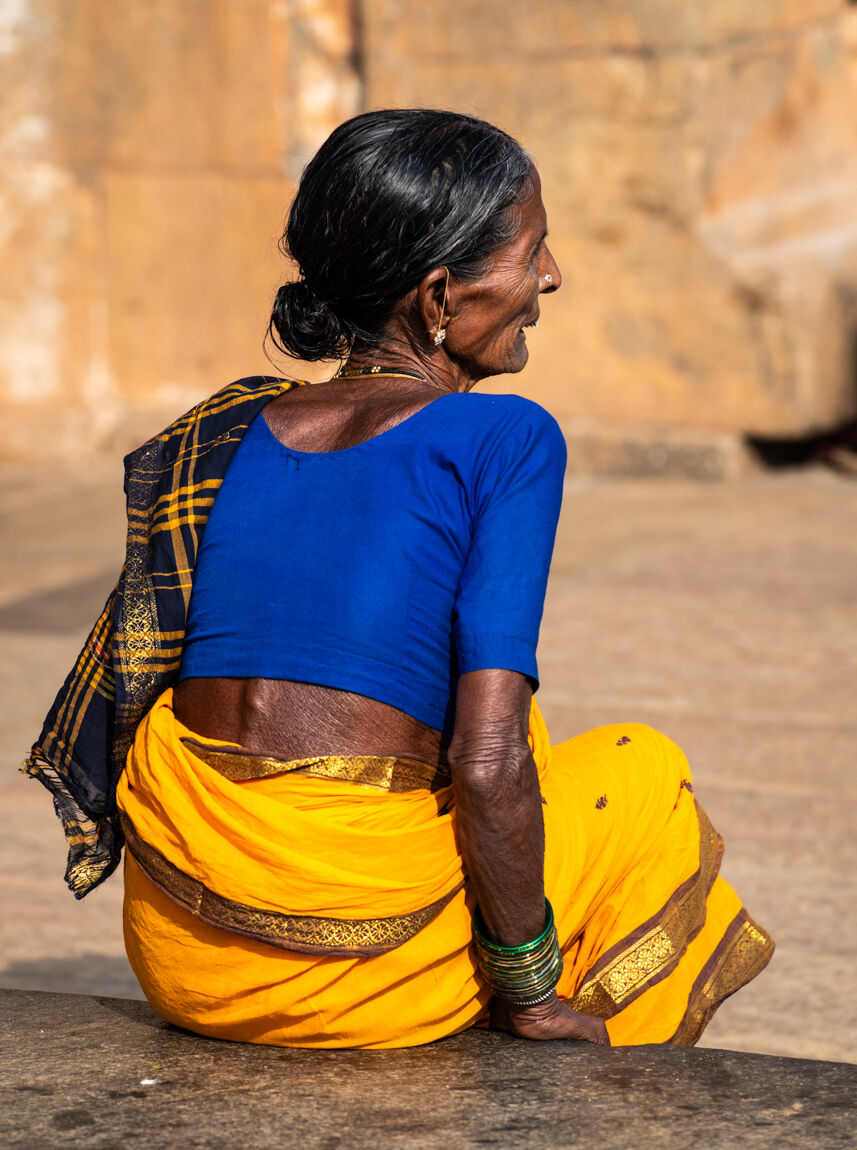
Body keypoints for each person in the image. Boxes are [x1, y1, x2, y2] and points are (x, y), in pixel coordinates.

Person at [25, 109, 773, 1050]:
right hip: (348, 978)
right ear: (437, 297)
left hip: (183, 957)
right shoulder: (503, 437)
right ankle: (572, 1084)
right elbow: (488, 764)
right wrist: (529, 988)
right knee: (640, 773)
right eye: (533, 250)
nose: (550, 277)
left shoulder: (228, 432)